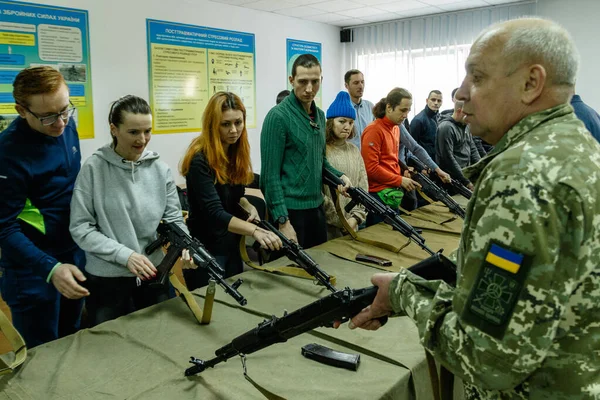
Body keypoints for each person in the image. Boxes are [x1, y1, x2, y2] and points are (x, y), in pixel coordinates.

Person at [346, 18, 600, 398]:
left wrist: (404, 294)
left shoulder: (521, 174)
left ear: (531, 83)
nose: (461, 94)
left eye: (477, 78)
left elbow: (487, 357)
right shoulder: (576, 149)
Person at [69, 95, 191, 327]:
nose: (142, 139)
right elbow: (80, 228)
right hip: (107, 279)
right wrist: (125, 256)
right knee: (111, 350)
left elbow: (174, 217)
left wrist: (185, 243)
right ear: (114, 129)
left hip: (153, 273)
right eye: (133, 132)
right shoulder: (94, 169)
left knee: (166, 336)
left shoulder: (160, 169)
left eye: (147, 131)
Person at [0, 66, 86, 347]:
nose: (60, 124)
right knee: (42, 352)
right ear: (21, 110)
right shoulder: (8, 153)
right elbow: (4, 227)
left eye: (64, 110)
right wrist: (49, 268)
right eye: (48, 116)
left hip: (73, 252)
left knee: (74, 337)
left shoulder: (66, 123)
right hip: (33, 269)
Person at [181, 92, 282, 290]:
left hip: (231, 245)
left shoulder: (234, 151)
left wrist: (246, 205)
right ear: (213, 124)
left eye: (238, 122)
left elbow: (232, 196)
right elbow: (215, 213)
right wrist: (255, 230)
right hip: (205, 249)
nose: (234, 130)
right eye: (225, 124)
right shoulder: (199, 159)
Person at [261, 54, 351, 248]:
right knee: (290, 273)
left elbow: (320, 162)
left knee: (321, 269)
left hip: (317, 210)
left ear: (321, 80)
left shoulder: (319, 115)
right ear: (291, 80)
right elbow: (270, 177)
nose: (309, 89)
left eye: (315, 82)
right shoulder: (277, 117)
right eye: (302, 82)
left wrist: (339, 176)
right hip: (291, 213)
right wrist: (283, 221)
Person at [361, 88, 421, 224]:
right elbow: (371, 169)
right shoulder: (374, 130)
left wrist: (403, 170)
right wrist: (399, 180)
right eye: (402, 110)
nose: (405, 115)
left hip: (392, 194)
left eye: (408, 111)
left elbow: (390, 160)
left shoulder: (395, 128)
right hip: (377, 196)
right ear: (389, 107)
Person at [322, 91, 368, 240]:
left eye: (351, 122)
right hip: (328, 227)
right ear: (330, 122)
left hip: (354, 225)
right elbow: (320, 193)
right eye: (342, 121)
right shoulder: (323, 151)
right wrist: (341, 221)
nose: (347, 126)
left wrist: (355, 219)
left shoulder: (354, 151)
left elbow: (363, 186)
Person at [436, 97, 481, 190]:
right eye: (468, 114)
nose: (470, 118)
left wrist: (482, 169)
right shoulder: (446, 128)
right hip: (452, 180)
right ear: (460, 111)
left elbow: (473, 148)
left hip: (465, 175)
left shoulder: (465, 125)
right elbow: (448, 159)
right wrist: (466, 181)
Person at [344, 69, 375, 150]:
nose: (360, 86)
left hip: (369, 158)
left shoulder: (370, 107)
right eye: (356, 83)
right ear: (347, 86)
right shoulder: (341, 109)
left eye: (362, 82)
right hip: (350, 158)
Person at [409, 90, 443, 158]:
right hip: (424, 162)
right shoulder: (418, 120)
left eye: (439, 101)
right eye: (433, 100)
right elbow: (411, 146)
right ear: (427, 101)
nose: (436, 103)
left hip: (438, 161)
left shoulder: (440, 118)